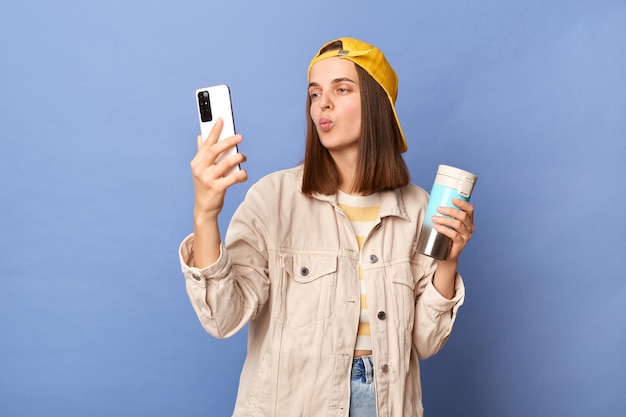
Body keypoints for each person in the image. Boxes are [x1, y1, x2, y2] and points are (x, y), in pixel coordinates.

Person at [179, 37, 475, 417]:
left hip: (386, 403)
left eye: (342, 89)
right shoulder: (274, 199)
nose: (324, 103)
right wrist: (205, 215)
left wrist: (448, 262)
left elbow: (425, 343)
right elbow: (223, 318)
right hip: (294, 403)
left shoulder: (417, 208)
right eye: (314, 93)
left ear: (377, 104)